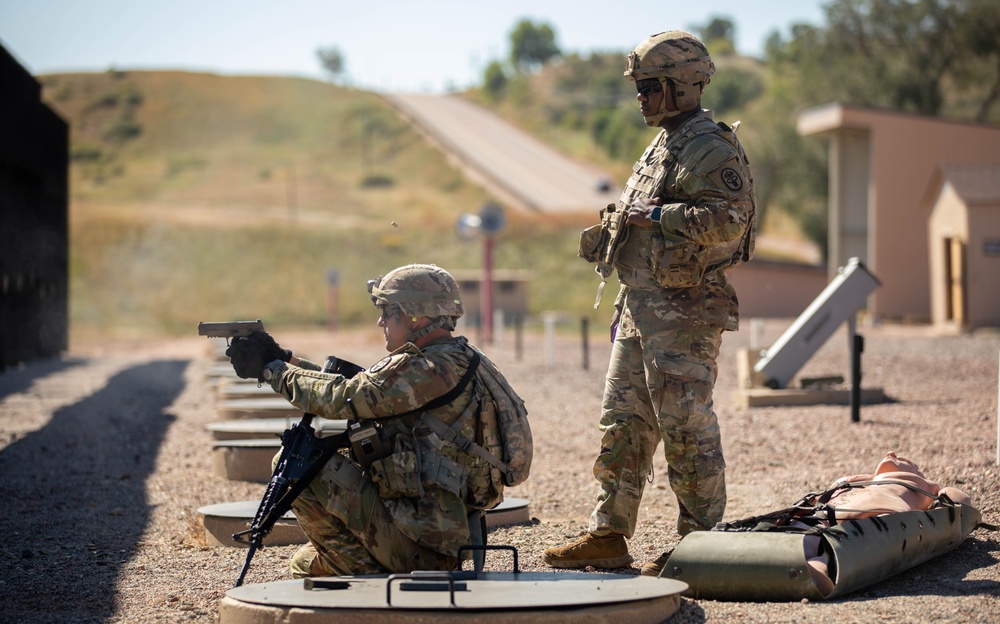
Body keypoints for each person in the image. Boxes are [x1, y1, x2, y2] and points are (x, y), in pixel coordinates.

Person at [544, 30, 756, 577]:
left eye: (648, 87)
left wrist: (656, 218)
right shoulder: (666, 142)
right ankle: (608, 536)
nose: (640, 98)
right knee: (622, 424)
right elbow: (648, 217)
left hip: (686, 313)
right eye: (639, 87)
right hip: (641, 309)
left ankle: (701, 545)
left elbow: (731, 220)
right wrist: (613, 232)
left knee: (686, 428)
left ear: (681, 86)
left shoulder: (709, 145)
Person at [225, 263, 528, 577]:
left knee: (299, 462)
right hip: (438, 531)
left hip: (421, 542)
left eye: (388, 311)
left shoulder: (429, 367)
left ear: (414, 316)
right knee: (305, 553)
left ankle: (359, 567)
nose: (380, 320)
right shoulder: (453, 357)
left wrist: (272, 371)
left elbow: (342, 398)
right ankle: (367, 558)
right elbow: (359, 388)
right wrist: (286, 359)